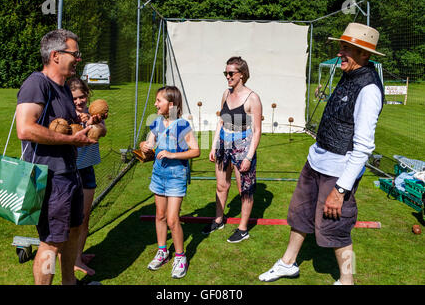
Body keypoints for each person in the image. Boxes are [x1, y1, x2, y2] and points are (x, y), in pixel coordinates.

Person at [258, 23, 385, 285]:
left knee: (338, 230)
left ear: (364, 54)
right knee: (300, 215)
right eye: (341, 46)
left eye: (347, 49)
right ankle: (288, 263)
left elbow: (363, 147)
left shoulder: (369, 90)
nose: (340, 53)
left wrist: (340, 190)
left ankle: (347, 280)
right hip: (316, 162)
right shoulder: (349, 74)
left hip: (339, 173)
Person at [16, 29, 96, 285]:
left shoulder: (61, 88)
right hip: (49, 179)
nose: (78, 58)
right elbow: (25, 129)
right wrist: (71, 140)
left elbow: (71, 128)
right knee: (50, 242)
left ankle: (69, 282)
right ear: (55, 55)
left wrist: (87, 125)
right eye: (75, 53)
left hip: (69, 174)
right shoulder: (36, 84)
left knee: (72, 234)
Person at [140, 86, 200, 279]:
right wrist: (145, 147)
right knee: (159, 215)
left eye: (159, 101)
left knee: (173, 219)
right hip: (158, 175)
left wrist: (173, 154)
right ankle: (162, 252)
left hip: (176, 177)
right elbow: (149, 145)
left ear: (171, 104)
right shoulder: (157, 123)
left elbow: (195, 151)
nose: (156, 104)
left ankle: (181, 257)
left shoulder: (183, 125)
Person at [201, 56, 262, 243]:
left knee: (244, 189)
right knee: (221, 185)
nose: (227, 76)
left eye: (231, 73)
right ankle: (218, 220)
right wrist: (213, 145)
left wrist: (249, 157)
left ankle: (243, 229)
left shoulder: (253, 98)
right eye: (225, 73)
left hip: (243, 146)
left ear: (242, 75)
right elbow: (221, 120)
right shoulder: (226, 94)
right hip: (223, 144)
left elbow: (257, 130)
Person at [67, 77, 106, 276]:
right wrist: (82, 124)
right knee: (72, 220)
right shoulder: (66, 115)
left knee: (85, 219)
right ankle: (72, 260)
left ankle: (78, 257)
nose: (79, 101)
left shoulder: (93, 112)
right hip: (72, 170)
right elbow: (73, 141)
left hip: (88, 168)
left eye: (82, 97)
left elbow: (103, 132)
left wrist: (95, 122)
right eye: (74, 98)